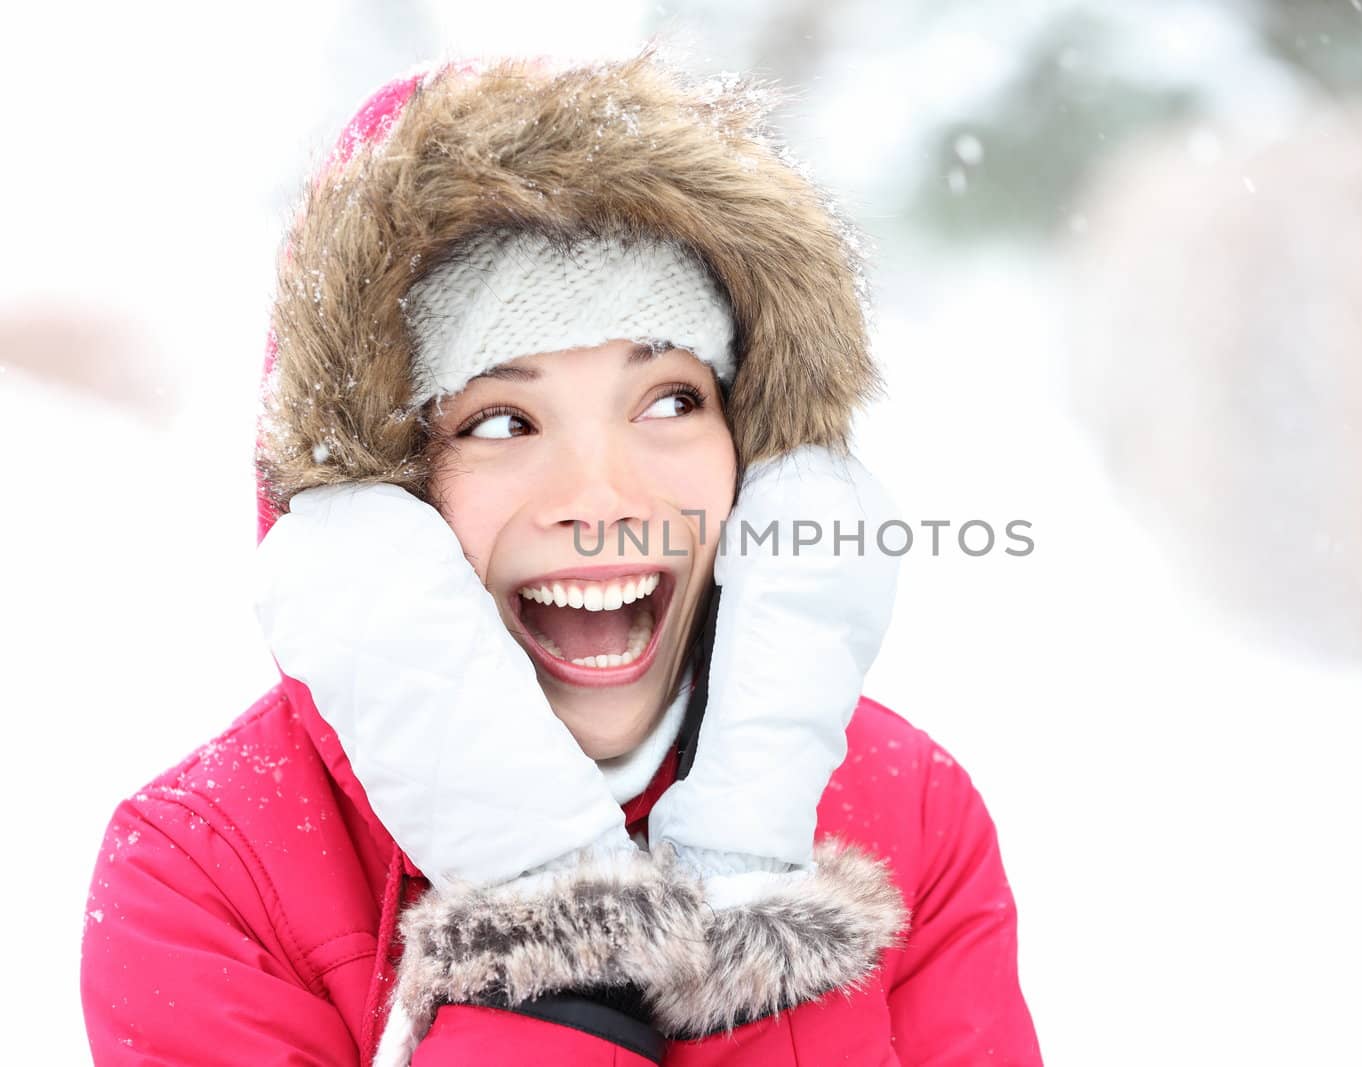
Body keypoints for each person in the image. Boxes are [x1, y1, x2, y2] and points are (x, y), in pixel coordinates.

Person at [80, 52, 1042, 1065]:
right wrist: (544, 938)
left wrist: (747, 880)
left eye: (670, 400)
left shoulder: (909, 807)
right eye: (501, 419)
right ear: (381, 503)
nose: (604, 499)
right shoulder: (209, 866)